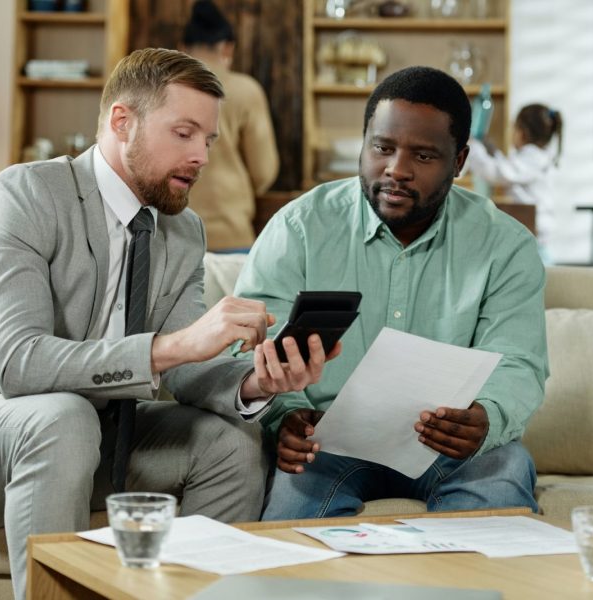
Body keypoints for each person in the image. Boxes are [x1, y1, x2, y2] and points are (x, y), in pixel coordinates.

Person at [0, 48, 334, 600]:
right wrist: (171, 346)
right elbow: (16, 363)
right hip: (11, 432)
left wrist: (256, 382)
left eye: (210, 140)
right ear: (121, 121)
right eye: (184, 133)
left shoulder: (183, 230)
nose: (202, 156)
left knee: (230, 441)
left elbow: (185, 370)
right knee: (65, 417)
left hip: (108, 433)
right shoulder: (26, 195)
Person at [235, 66, 548, 521]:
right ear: (364, 142)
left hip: (449, 447)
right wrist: (286, 415)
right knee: (292, 527)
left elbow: (519, 361)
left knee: (505, 473)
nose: (396, 170)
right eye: (382, 148)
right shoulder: (299, 227)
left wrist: (487, 417)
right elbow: (250, 345)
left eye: (423, 156)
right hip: (326, 442)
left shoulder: (505, 245)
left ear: (458, 162)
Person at [181, 0, 279, 252]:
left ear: (182, 48)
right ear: (227, 48)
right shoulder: (245, 90)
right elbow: (264, 171)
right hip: (231, 232)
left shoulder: (160, 88)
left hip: (172, 236)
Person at [464, 103, 563, 264]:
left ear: (523, 133)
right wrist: (493, 151)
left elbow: (497, 173)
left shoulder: (532, 157)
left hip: (535, 242)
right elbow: (508, 168)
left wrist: (473, 147)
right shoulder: (536, 157)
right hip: (536, 238)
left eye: (513, 128)